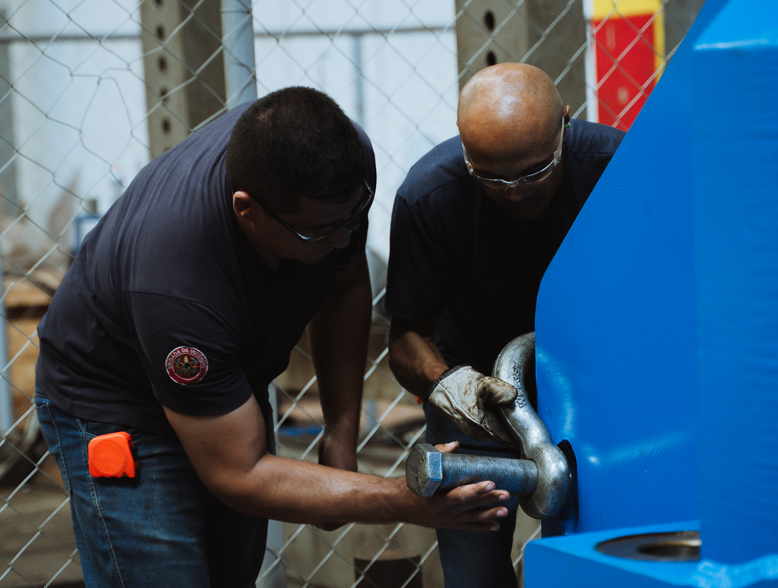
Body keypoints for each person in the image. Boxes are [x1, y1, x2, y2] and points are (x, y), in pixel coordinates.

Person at [34, 86, 511, 588]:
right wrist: (401, 499)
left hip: (226, 383)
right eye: (319, 232)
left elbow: (344, 280)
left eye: (354, 219)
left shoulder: (338, 169)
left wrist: (340, 434)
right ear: (248, 210)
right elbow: (239, 475)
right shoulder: (177, 283)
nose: (344, 239)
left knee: (231, 573)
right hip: (119, 404)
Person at [386, 63, 626, 587]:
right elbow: (405, 337)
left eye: (535, 171)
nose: (515, 192)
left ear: (565, 124)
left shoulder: (620, 170)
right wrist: (448, 385)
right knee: (473, 574)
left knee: (605, 559)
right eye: (492, 177)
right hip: (480, 402)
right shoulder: (429, 197)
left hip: (602, 396)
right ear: (466, 150)